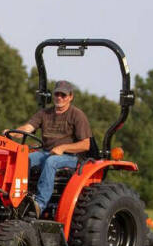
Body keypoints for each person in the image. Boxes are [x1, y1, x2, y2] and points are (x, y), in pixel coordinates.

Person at [5, 80, 91, 217]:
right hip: (46, 152)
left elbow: (86, 144)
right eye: (57, 94)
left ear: (70, 97)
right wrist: (14, 132)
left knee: (52, 162)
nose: (59, 98)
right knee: (24, 159)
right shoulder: (45, 113)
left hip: (71, 158)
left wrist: (63, 148)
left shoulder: (77, 115)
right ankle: (17, 197)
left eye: (63, 95)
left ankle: (39, 204)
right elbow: (28, 128)